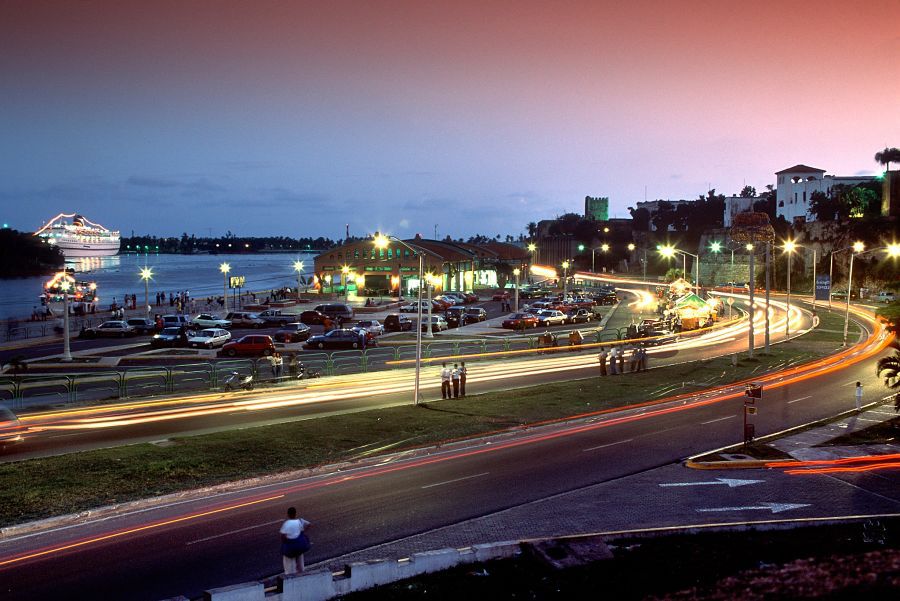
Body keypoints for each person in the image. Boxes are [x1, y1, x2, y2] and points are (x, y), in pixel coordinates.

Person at [279, 507, 311, 575]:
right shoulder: (299, 521)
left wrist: (285, 542)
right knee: (300, 563)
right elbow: (309, 524)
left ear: (288, 514)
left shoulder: (287, 523)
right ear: (295, 514)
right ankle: (301, 574)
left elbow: (282, 535)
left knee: (289, 565)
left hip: (290, 548)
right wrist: (303, 532)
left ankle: (290, 576)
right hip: (299, 546)